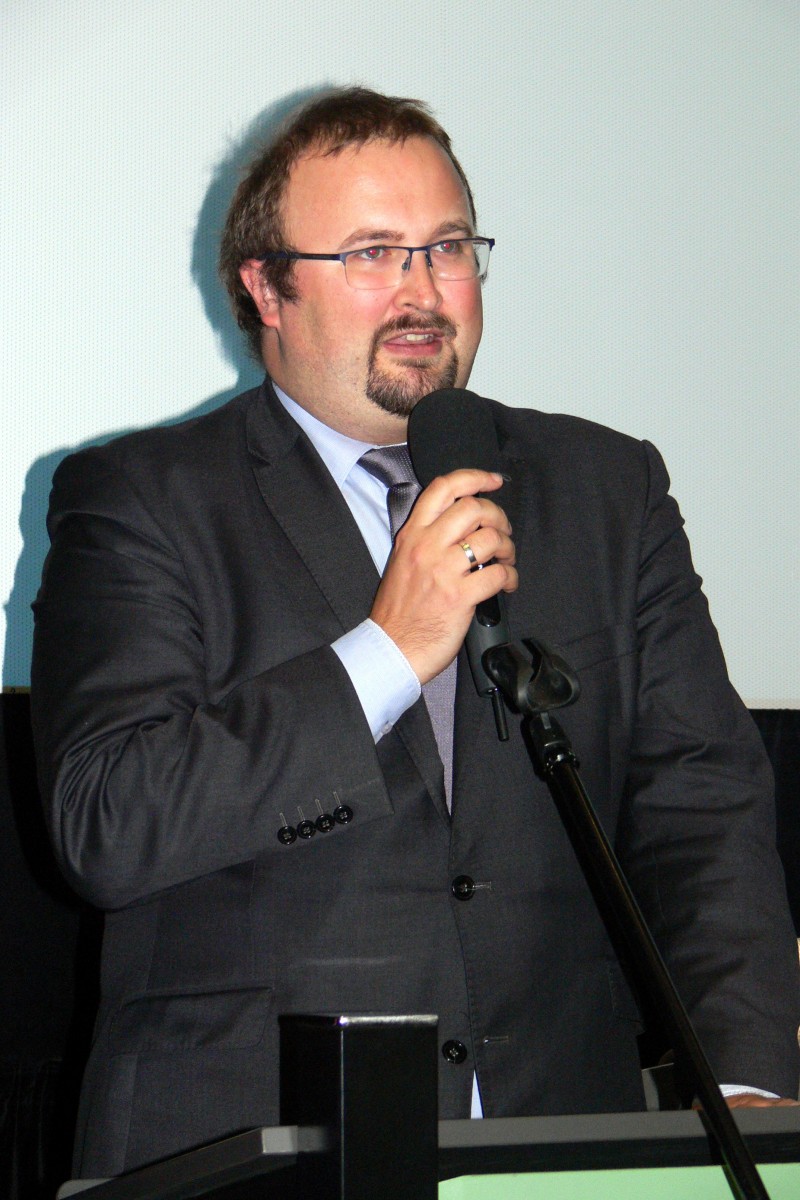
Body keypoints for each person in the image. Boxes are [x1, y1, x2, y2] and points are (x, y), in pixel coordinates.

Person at [31, 87, 799, 1179]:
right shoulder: (143, 499)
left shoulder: (604, 488)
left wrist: (743, 1083)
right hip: (246, 1148)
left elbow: (700, 807)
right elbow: (108, 822)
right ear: (266, 287)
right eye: (370, 254)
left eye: (447, 248)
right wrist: (387, 652)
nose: (422, 291)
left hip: (559, 1146)